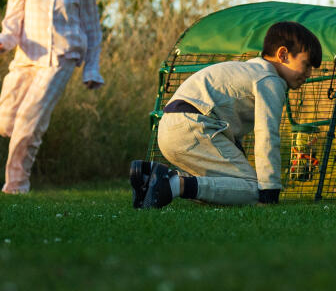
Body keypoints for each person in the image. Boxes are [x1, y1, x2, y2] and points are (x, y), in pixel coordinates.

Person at [132, 21, 322, 208]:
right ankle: (172, 184)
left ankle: (151, 178)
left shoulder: (249, 70)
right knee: (251, 190)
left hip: (170, 128)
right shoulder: (270, 80)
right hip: (194, 127)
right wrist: (269, 190)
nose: (308, 73)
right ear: (283, 54)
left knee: (227, 185)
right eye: (306, 65)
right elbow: (267, 135)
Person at [0, 0, 104, 194]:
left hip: (61, 60)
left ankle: (15, 186)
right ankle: (16, 171)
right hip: (26, 59)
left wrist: (91, 69)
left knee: (30, 122)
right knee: (5, 122)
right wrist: (1, 42)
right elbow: (13, 21)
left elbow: (92, 30)